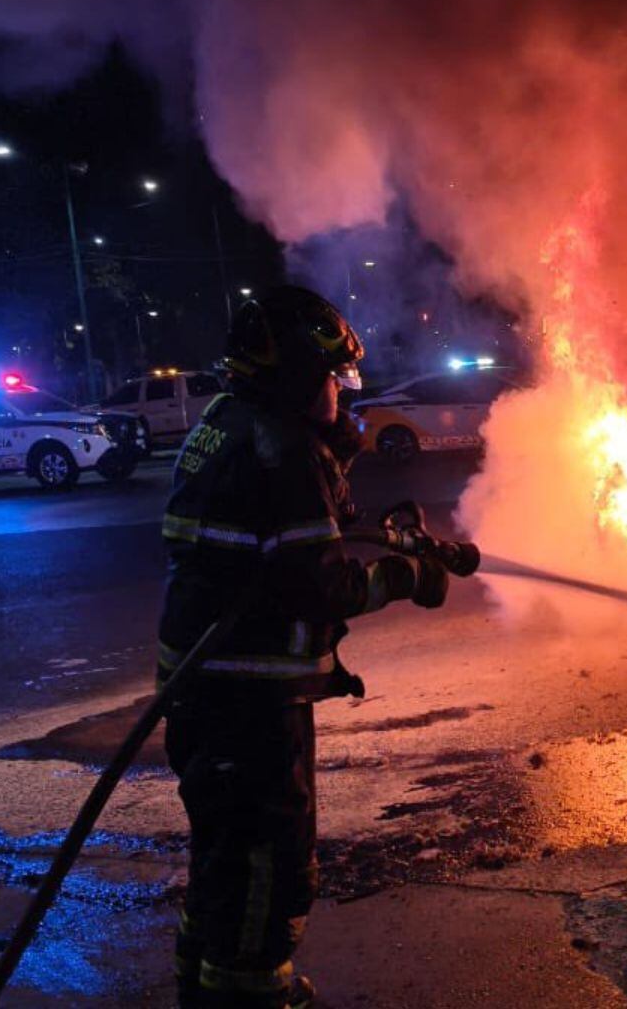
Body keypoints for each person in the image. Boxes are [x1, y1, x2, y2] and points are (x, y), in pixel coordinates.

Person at [157, 285, 451, 1008]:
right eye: (330, 377)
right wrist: (405, 575)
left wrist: (373, 521)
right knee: (270, 863)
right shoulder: (285, 450)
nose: (341, 395)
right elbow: (322, 587)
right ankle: (252, 996)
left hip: (203, 695)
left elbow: (285, 539)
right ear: (293, 376)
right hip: (250, 704)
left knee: (223, 856)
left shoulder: (228, 423)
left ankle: (205, 986)